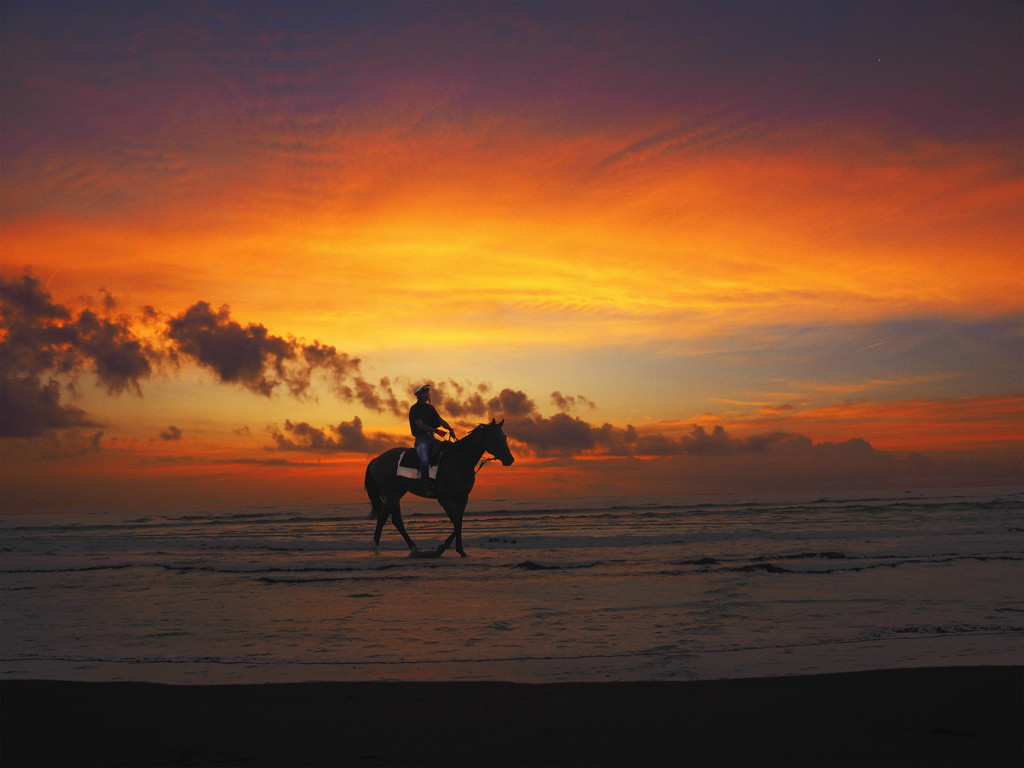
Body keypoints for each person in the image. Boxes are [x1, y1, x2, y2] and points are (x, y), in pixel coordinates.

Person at [408, 385, 455, 486]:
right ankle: (426, 485)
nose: (427, 395)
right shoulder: (414, 409)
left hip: (431, 439)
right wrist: (437, 431)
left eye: (427, 393)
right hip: (421, 441)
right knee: (424, 460)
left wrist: (450, 429)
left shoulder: (430, 408)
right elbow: (420, 426)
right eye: (425, 393)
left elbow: (440, 420)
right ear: (419, 395)